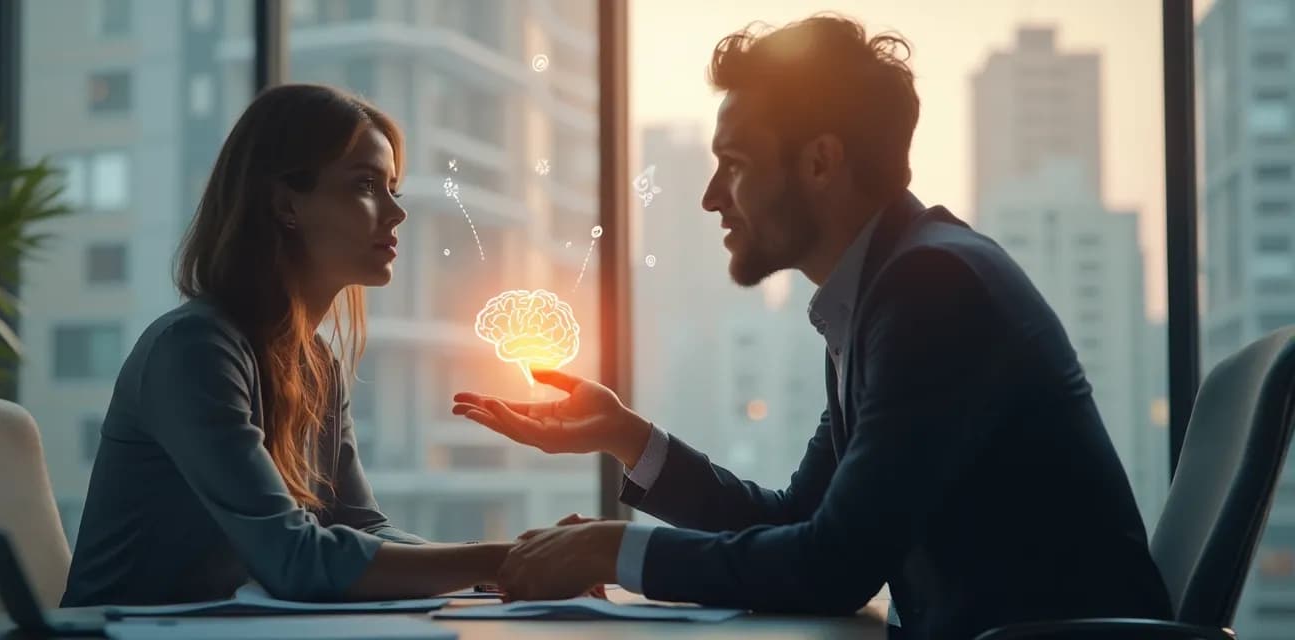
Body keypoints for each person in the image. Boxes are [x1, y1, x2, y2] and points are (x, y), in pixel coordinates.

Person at [452, 15, 1173, 640]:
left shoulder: (933, 291)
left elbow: (834, 565)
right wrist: (626, 437)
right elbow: (800, 518)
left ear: (821, 163)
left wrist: (611, 553)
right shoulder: (886, 290)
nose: (711, 197)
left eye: (734, 164)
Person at [63, 84, 509, 607]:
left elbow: (362, 527)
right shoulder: (194, 351)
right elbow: (293, 559)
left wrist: (511, 561)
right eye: (366, 185)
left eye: (393, 188)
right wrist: (502, 561)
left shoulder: (317, 363)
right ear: (284, 204)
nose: (396, 213)